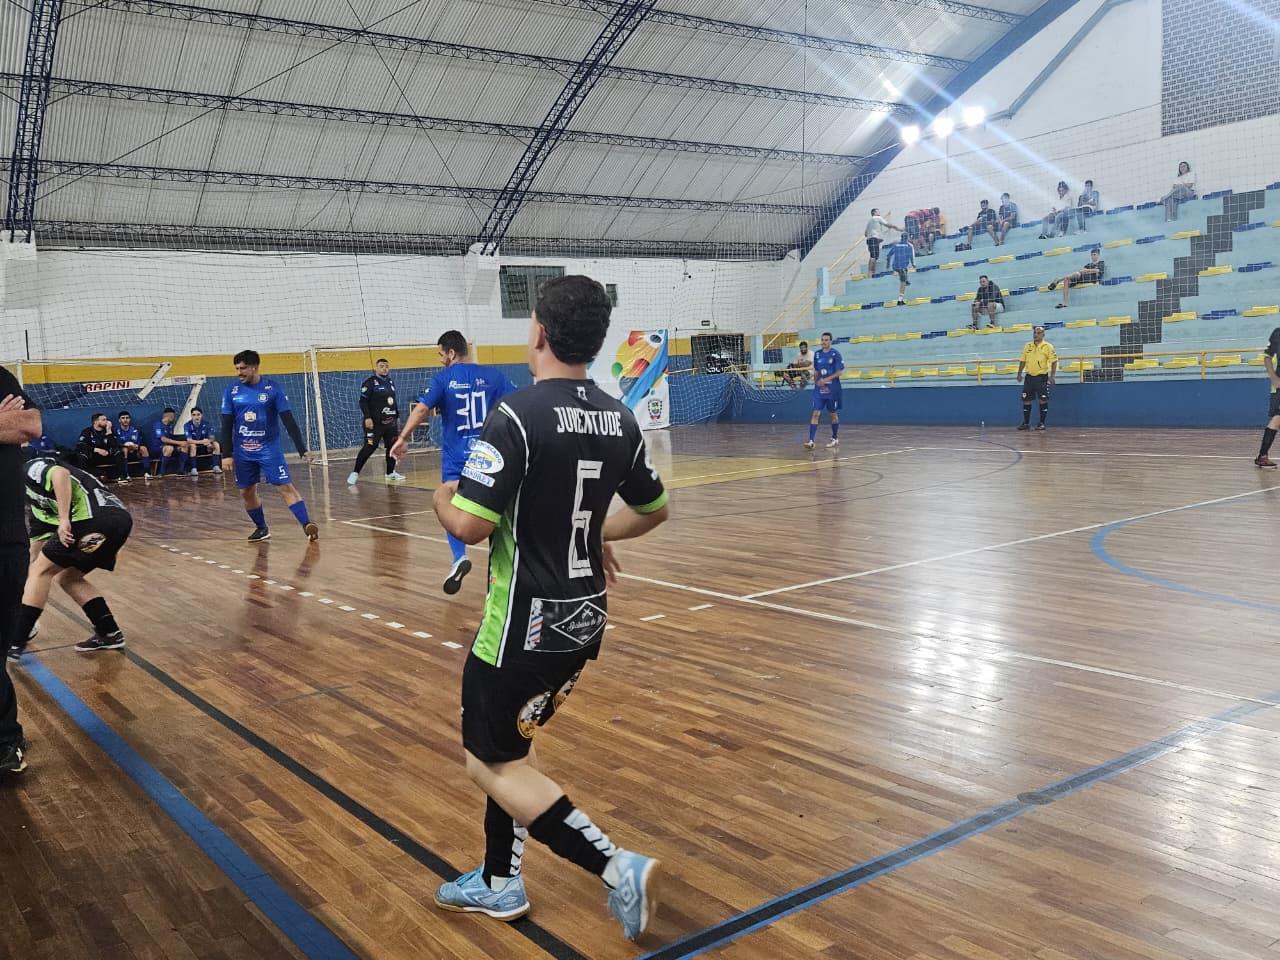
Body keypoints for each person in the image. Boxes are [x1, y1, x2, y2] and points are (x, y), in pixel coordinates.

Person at [429, 275, 669, 941]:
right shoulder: (619, 417)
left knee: (490, 760)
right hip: (586, 620)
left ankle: (617, 866)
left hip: (521, 625)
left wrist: (439, 502)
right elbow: (654, 510)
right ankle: (500, 881)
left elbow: (472, 528)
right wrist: (593, 532)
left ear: (536, 331)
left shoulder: (516, 416)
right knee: (515, 749)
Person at [391, 332, 515, 594]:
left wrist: (403, 438)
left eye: (440, 354)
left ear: (450, 353)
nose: (439, 360)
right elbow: (518, 405)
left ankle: (459, 557)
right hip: (488, 456)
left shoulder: (443, 379)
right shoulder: (494, 376)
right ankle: (509, 566)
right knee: (499, 507)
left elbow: (422, 409)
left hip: (457, 460)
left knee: (447, 501)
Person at [12, 456, 134, 656]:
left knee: (41, 571)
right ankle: (109, 632)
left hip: (95, 519)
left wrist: (63, 519)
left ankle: (16, 641)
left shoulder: (30, 467)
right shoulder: (36, 506)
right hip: (117, 523)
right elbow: (35, 551)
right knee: (68, 578)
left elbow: (61, 474)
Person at [219, 350, 318, 543]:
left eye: (243, 368)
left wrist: (302, 449)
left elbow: (288, 420)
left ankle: (307, 525)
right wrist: (226, 454)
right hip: (243, 452)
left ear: (254, 367)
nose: (239, 372)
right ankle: (261, 528)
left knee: (285, 486)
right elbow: (226, 424)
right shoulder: (231, 391)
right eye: (237, 368)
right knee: (247, 491)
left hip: (268, 450)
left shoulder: (273, 389)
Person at [0, 367, 41, 773]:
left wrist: (11, 423)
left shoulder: (1, 377)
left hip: (7, 541)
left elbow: (28, 424)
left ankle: (5, 740)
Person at [348, 358, 405, 486]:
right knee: (370, 447)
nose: (384, 368)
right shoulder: (369, 383)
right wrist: (367, 417)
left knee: (392, 447)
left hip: (390, 422)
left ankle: (390, 473)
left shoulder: (390, 382)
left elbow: (393, 401)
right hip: (374, 423)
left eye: (386, 366)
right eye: (381, 366)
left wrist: (397, 417)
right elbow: (362, 401)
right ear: (376, 368)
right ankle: (355, 472)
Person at [806, 332, 844, 449]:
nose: (824, 342)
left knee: (832, 414)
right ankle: (811, 441)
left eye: (826, 340)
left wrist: (826, 379)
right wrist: (815, 380)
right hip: (819, 389)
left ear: (830, 341)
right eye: (822, 340)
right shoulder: (817, 354)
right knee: (815, 413)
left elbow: (840, 372)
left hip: (832, 389)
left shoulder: (835, 354)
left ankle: (834, 438)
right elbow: (816, 370)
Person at [1016, 325, 1057, 431]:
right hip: (1029, 377)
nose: (1036, 335)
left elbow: (1054, 361)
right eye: (1034, 333)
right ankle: (1026, 423)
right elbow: (1022, 360)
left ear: (1043, 334)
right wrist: (1019, 373)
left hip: (1041, 377)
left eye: (1038, 333)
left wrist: (1052, 376)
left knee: (1042, 399)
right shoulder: (1027, 346)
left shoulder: (1048, 346)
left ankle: (1042, 423)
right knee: (1026, 400)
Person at [76, 412, 127, 484]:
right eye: (104, 420)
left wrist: (109, 431)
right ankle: (85, 478)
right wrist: (96, 450)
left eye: (106, 419)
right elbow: (80, 445)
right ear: (96, 422)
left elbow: (114, 444)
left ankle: (122, 476)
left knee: (118, 451)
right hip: (93, 456)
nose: (107, 421)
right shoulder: (87, 431)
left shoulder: (108, 430)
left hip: (106, 455)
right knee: (81, 455)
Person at [1255, 327, 1280, 468]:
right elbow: (1267, 357)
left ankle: (1262, 456)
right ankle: (1262, 456)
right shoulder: (1278, 333)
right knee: (1277, 418)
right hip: (1279, 384)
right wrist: (1274, 378)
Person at [150, 406, 193, 477]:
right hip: (157, 448)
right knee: (169, 448)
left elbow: (170, 439)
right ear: (170, 416)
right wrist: (179, 443)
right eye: (174, 416)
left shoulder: (170, 426)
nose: (174, 418)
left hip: (167, 447)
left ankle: (180, 471)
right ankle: (161, 472)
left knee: (184, 446)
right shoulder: (158, 424)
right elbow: (163, 439)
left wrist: (182, 443)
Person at [184, 407, 222, 475]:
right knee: (192, 446)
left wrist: (208, 442)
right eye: (194, 415)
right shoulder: (187, 425)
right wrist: (202, 442)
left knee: (216, 444)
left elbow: (212, 437)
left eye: (198, 414)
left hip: (205, 445)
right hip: (194, 445)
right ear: (191, 416)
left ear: (202, 415)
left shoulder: (207, 424)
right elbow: (189, 440)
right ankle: (193, 469)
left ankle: (216, 466)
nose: (196, 417)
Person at [863, 208, 901, 275]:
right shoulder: (878, 217)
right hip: (874, 239)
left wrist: (877, 238)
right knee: (874, 256)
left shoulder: (869, 221)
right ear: (874, 213)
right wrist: (896, 227)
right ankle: (870, 272)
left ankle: (871, 271)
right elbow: (887, 224)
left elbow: (865, 233)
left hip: (870, 240)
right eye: (878, 212)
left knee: (872, 256)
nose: (879, 213)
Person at [115, 411, 151, 482]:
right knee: (124, 449)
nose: (125, 420)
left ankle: (147, 472)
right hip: (123, 454)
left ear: (130, 419)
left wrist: (137, 446)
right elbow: (116, 444)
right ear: (119, 420)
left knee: (144, 448)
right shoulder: (116, 431)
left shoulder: (135, 430)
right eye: (123, 418)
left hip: (135, 452)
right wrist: (126, 446)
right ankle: (125, 475)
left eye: (127, 418)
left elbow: (140, 442)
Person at [884, 235, 915, 306]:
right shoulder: (909, 246)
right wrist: (913, 264)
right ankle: (900, 301)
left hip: (895, 266)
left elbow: (888, 255)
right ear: (907, 238)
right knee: (903, 282)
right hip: (901, 267)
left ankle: (906, 280)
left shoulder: (896, 245)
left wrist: (888, 265)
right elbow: (911, 257)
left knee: (905, 270)